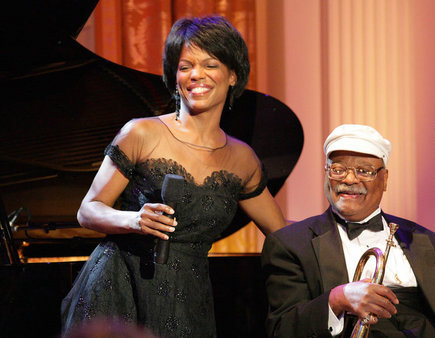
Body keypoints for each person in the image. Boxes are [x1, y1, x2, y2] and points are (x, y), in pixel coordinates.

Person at [61, 15, 286, 337]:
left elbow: (280, 233)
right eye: (185, 66)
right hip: (118, 285)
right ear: (174, 75)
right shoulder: (141, 132)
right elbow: (88, 210)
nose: (196, 75)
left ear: (233, 75)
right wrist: (133, 220)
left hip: (188, 295)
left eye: (210, 65)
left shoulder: (242, 158)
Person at [261, 124, 435, 337]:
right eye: (338, 169)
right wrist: (336, 300)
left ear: (385, 179)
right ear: (327, 175)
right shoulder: (290, 244)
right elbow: (281, 329)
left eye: (364, 171)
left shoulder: (427, 242)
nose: (349, 179)